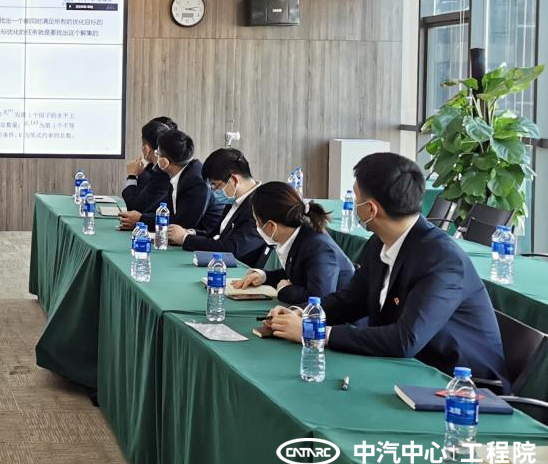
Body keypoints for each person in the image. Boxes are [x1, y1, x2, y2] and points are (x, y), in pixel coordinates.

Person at [264, 153, 509, 389]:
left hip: (459, 386)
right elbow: (350, 301)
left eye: (355, 195)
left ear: (371, 209)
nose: (352, 202)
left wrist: (317, 332)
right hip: (403, 370)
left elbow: (405, 340)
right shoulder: (379, 242)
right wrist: (303, 313)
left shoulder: (443, 260)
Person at [231, 182, 354, 304]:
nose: (256, 226)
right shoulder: (298, 235)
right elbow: (295, 274)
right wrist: (264, 276)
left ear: (271, 225)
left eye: (257, 221)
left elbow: (319, 299)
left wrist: (284, 290)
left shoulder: (318, 247)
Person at [166, 148, 269, 268]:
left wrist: (185, 238)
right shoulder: (234, 200)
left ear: (234, 180)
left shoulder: (259, 205)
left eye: (216, 185)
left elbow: (232, 249)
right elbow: (216, 236)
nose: (214, 191)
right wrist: (189, 233)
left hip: (240, 271)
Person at [119, 129, 222, 236]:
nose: (157, 158)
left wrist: (141, 219)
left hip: (204, 238)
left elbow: (183, 224)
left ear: (164, 162)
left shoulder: (196, 181)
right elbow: (169, 214)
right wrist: (140, 219)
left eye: (158, 154)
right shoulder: (182, 173)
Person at [121, 116, 177, 213]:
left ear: (146, 149)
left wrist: (132, 176)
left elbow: (134, 208)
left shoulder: (163, 174)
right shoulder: (156, 168)